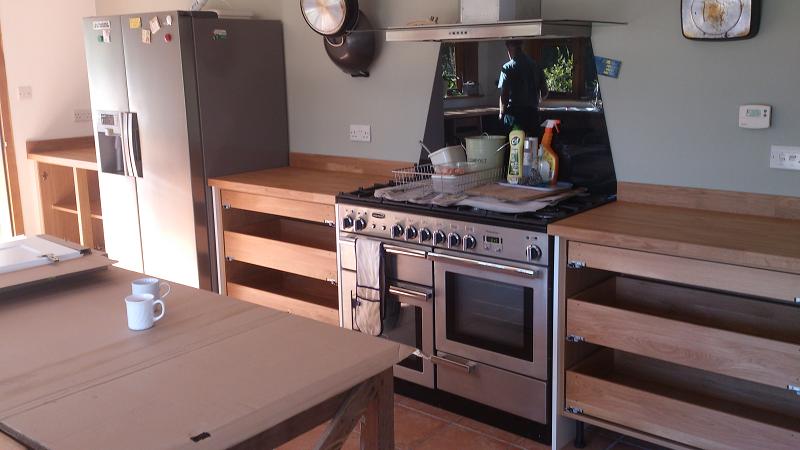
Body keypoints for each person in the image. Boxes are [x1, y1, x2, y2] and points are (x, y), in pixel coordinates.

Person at [498, 40, 548, 133]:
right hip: (532, 114)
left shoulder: (507, 68)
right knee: (532, 144)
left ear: (510, 48)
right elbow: (544, 93)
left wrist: (502, 113)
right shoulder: (536, 66)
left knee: (514, 145)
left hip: (514, 114)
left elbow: (504, 95)